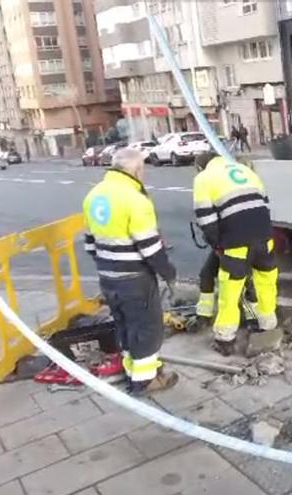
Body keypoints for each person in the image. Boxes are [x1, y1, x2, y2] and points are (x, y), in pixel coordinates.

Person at [83, 147, 179, 395]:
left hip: (108, 276)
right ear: (136, 170)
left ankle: (132, 370)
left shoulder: (94, 195)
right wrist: (168, 273)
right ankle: (146, 381)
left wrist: (109, 262)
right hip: (135, 278)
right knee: (147, 328)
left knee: (125, 324)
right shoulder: (135, 199)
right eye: (143, 169)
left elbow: (90, 244)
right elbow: (149, 247)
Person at [192, 151, 278, 355]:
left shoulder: (203, 178)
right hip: (265, 238)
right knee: (266, 284)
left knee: (230, 292)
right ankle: (267, 325)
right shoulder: (246, 171)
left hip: (236, 243)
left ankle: (225, 339)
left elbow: (206, 218)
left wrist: (218, 244)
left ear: (200, 167)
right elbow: (265, 204)